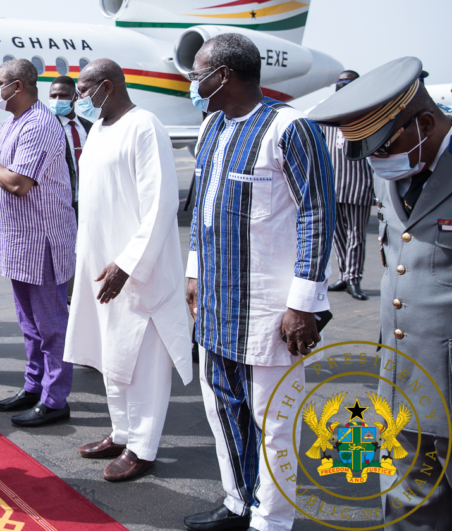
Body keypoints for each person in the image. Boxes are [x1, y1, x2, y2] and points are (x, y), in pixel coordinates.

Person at [182, 34, 335, 531]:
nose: (192, 82)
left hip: (270, 309)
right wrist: (193, 271)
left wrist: (303, 304)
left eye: (197, 73)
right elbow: (202, 211)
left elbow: (317, 215)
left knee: (274, 422)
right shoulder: (211, 127)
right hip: (215, 303)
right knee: (223, 410)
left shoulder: (289, 128)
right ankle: (237, 503)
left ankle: (271, 520)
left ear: (222, 75)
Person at [309, 57, 452, 530]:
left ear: (424, 125)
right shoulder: (395, 167)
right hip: (404, 380)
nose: (377, 160)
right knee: (408, 506)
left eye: (384, 146)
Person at [63, 59, 193, 482]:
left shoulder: (144, 126)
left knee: (142, 361)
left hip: (137, 271)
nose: (79, 98)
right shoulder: (98, 130)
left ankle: (143, 448)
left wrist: (127, 263)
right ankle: (121, 433)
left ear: (107, 86)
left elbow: (161, 204)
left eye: (84, 90)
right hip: (101, 267)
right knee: (113, 356)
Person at [0, 59, 76, 428]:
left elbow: (17, 183)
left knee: (51, 325)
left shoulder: (39, 124)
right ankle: (34, 385)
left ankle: (55, 399)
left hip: (40, 240)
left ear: (18, 86)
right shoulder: (15, 120)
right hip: (20, 241)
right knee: (29, 323)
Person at [320, 70, 373, 301]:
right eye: (339, 82)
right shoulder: (327, 114)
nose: (341, 85)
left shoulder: (367, 113)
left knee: (356, 235)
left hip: (358, 183)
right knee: (338, 235)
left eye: (347, 82)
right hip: (333, 184)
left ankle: (354, 278)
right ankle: (344, 275)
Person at [48, 74, 92, 218]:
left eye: (63, 96)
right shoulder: (46, 127)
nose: (57, 100)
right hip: (59, 205)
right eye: (53, 96)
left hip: (89, 202)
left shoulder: (90, 128)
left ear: (75, 97)